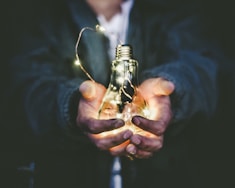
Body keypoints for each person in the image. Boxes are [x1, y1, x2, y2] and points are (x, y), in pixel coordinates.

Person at [3, 0, 229, 187]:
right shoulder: (42, 15)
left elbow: (204, 66)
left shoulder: (174, 10)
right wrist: (71, 107)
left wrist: (172, 90)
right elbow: (23, 86)